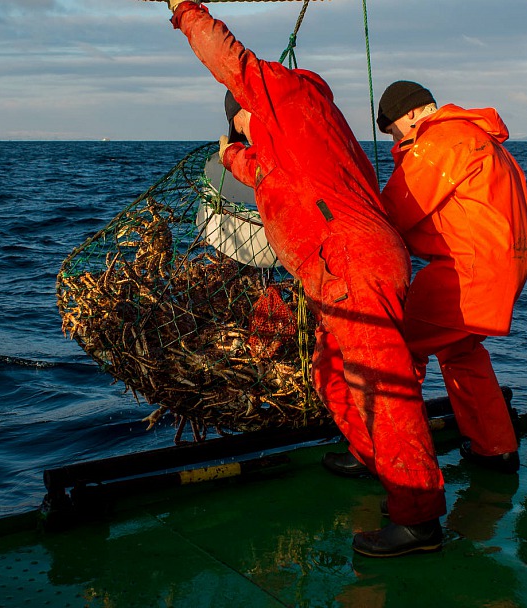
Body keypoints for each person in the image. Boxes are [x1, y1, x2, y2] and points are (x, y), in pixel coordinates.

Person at [166, 0, 446, 557]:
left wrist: (183, 10)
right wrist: (234, 158)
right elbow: (270, 174)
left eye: (238, 118)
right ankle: (376, 462)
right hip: (334, 272)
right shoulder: (292, 141)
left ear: (246, 105)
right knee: (329, 373)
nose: (240, 127)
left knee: (382, 389)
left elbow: (230, 60)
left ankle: (417, 518)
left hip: (353, 261)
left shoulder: (285, 98)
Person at [375, 81, 527, 473]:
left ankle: (391, 454)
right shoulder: (477, 137)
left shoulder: (441, 141)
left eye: (394, 130)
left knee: (395, 347)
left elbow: (395, 212)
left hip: (468, 271)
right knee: (459, 350)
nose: (394, 140)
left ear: (412, 114)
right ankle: (494, 447)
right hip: (504, 267)